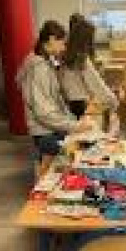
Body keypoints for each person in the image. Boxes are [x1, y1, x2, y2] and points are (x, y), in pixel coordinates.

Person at [16, 20, 93, 173]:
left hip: (50, 127)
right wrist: (75, 126)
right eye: (62, 43)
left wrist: (73, 122)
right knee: (80, 154)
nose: (64, 48)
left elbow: (53, 100)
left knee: (83, 144)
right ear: (51, 40)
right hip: (45, 133)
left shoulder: (41, 60)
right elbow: (44, 113)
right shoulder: (38, 69)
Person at [59, 14, 118, 119]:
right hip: (80, 105)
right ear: (86, 39)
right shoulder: (82, 60)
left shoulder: (66, 55)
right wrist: (114, 102)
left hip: (68, 104)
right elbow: (97, 85)